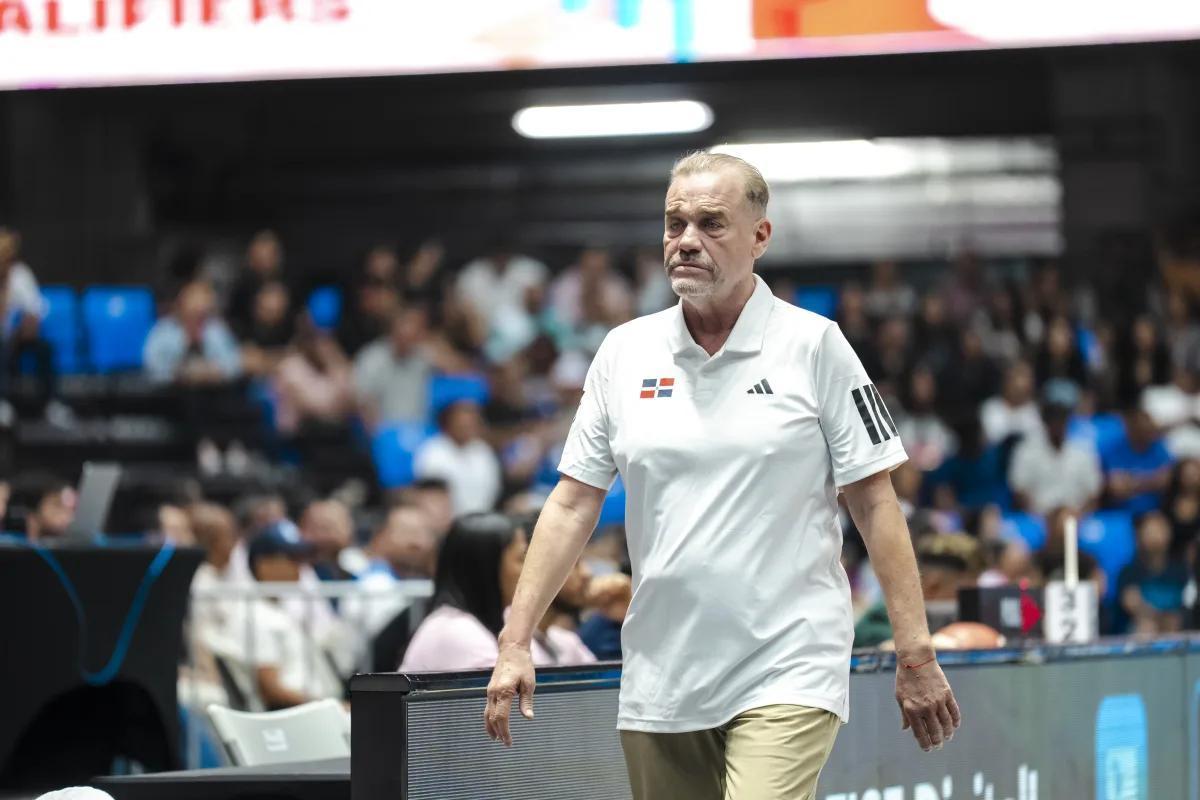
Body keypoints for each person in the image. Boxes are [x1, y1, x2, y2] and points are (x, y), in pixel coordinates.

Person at [485, 152, 960, 799]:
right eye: (674, 223)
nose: (686, 241)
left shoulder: (816, 346)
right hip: (662, 671)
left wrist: (916, 651)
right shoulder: (625, 352)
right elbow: (572, 504)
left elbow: (875, 503)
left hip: (789, 661)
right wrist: (516, 640)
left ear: (760, 237)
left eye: (711, 224)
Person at [399, 512, 528, 671]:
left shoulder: (476, 624)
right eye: (522, 559)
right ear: (487, 566)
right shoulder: (459, 631)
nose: (531, 570)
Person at [1008, 380, 1102, 515]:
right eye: (1053, 415)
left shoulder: (1084, 449)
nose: (1057, 421)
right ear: (1044, 418)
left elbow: (1094, 494)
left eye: (1062, 416)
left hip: (1075, 518)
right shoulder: (1025, 450)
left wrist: (1077, 517)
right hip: (1038, 520)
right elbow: (1019, 491)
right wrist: (1042, 518)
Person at [414, 400, 503, 516]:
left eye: (472, 424)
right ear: (448, 425)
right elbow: (432, 495)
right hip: (443, 518)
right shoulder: (432, 451)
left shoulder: (483, 451)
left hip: (481, 517)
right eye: (462, 424)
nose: (467, 428)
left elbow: (493, 489)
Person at [143, 281, 242, 385]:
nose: (199, 307)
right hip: (171, 392)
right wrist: (179, 373)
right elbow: (151, 363)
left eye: (204, 302)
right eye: (194, 301)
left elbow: (234, 363)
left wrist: (215, 371)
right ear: (181, 304)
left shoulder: (216, 329)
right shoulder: (165, 329)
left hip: (213, 392)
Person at [352, 305, 434, 429]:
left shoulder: (424, 357)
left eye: (415, 330)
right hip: (384, 431)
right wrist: (379, 434)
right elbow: (362, 401)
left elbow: (459, 369)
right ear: (393, 328)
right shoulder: (372, 358)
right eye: (405, 326)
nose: (408, 334)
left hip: (420, 431)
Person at [1118, 511, 1188, 634]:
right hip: (1140, 633)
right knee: (1146, 627)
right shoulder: (1129, 572)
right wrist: (1160, 618)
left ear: (1169, 532)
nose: (1155, 537)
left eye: (1159, 530)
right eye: (1149, 531)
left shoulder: (1181, 571)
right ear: (1139, 536)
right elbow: (1130, 604)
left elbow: (1186, 608)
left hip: (1176, 631)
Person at [1101, 406, 1174, 515]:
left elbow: (1166, 481)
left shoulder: (1158, 447)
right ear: (1131, 429)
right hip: (1120, 513)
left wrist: (1132, 482)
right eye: (1142, 429)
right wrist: (1152, 481)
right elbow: (1117, 488)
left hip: (1154, 513)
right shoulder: (1115, 448)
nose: (1147, 433)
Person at [979, 360, 1042, 445]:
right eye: (1014, 378)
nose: (1018, 384)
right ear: (1006, 381)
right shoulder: (990, 408)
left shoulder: (1037, 412)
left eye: (1026, 378)